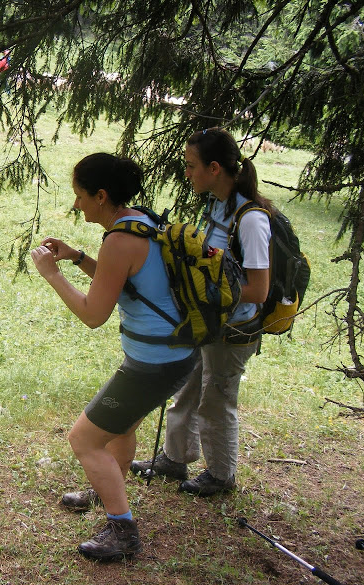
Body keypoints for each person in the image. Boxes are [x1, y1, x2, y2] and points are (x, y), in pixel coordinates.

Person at [30, 152, 198, 561]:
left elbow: (93, 314)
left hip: (155, 364)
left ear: (101, 196)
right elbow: (127, 282)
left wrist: (53, 275)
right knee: (120, 428)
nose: (77, 205)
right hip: (174, 354)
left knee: (84, 439)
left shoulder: (120, 241)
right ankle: (107, 489)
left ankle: (123, 531)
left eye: (80, 195)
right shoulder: (140, 220)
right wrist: (77, 257)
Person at [130, 127, 271, 496]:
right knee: (190, 388)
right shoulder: (218, 206)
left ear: (214, 168)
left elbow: (258, 289)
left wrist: (207, 296)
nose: (187, 173)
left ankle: (222, 476)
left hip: (234, 330)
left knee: (216, 400)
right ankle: (174, 458)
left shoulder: (251, 219)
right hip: (209, 322)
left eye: (191, 166)